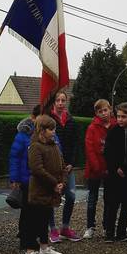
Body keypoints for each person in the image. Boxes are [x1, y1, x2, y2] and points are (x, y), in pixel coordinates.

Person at [25, 115, 66, 254]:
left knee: (44, 220)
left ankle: (44, 247)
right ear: (42, 130)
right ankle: (29, 252)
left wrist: (62, 182)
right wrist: (54, 182)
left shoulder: (54, 145)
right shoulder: (35, 146)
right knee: (34, 221)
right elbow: (36, 169)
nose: (54, 132)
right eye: (51, 129)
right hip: (39, 191)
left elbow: (61, 165)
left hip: (51, 191)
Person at [104, 102, 127, 242]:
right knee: (112, 204)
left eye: (123, 117)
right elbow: (108, 152)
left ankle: (121, 232)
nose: (120, 119)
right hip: (114, 175)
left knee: (126, 204)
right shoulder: (113, 132)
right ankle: (109, 232)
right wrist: (116, 167)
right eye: (118, 116)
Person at [83, 99, 117, 239]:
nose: (103, 113)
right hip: (95, 169)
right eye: (100, 111)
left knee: (109, 199)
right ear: (96, 113)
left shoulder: (116, 126)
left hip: (110, 169)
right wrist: (97, 167)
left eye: (105, 110)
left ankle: (106, 226)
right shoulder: (92, 128)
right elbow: (89, 149)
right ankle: (90, 226)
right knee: (92, 199)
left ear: (110, 109)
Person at [49, 91, 80, 242]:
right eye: (58, 100)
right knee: (51, 197)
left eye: (63, 100)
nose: (61, 103)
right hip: (53, 166)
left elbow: (75, 143)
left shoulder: (71, 121)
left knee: (71, 195)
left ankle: (65, 227)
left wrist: (71, 163)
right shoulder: (49, 120)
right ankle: (52, 229)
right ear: (54, 102)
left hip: (68, 167)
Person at [9, 104, 41, 249]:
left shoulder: (47, 133)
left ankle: (32, 236)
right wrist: (14, 178)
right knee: (28, 210)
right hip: (26, 178)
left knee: (36, 210)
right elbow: (15, 157)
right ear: (34, 117)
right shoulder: (23, 135)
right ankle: (25, 238)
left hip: (40, 178)